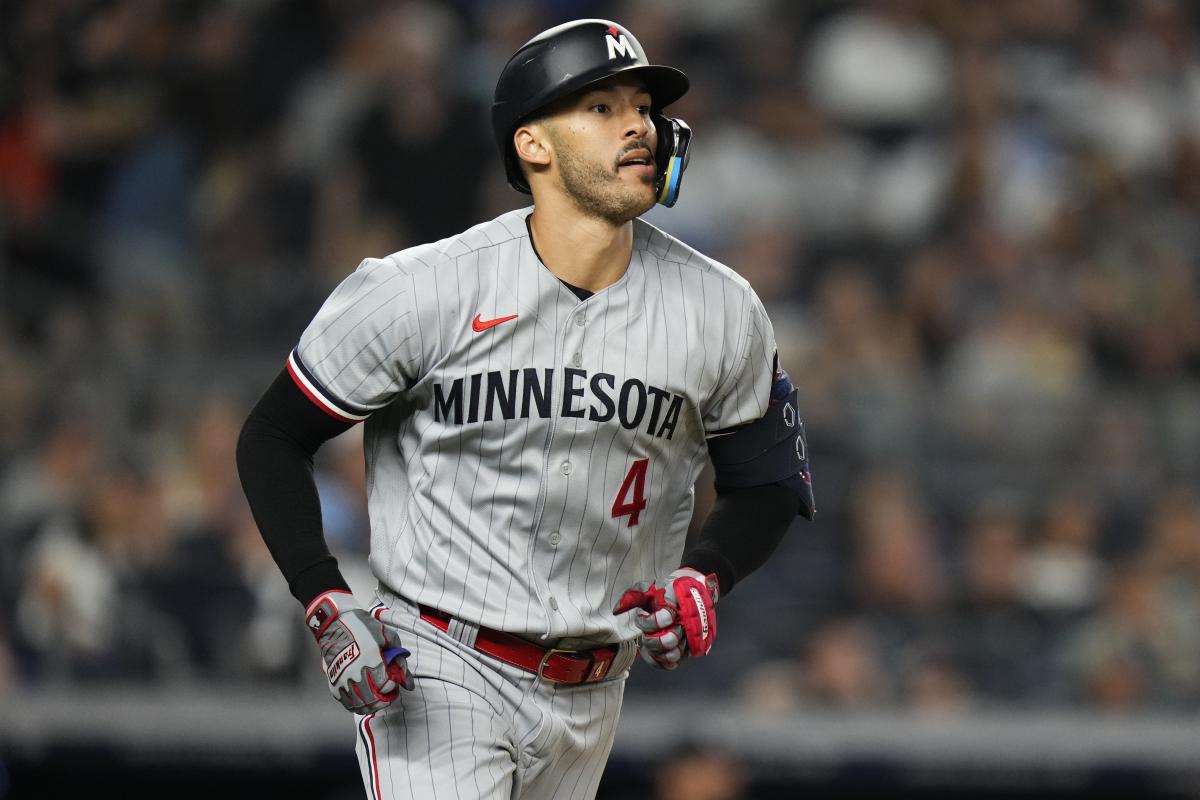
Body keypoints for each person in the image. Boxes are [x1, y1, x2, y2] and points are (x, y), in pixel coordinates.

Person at [236, 18, 814, 800]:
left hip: (595, 684)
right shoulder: (424, 289)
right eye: (601, 108)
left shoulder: (722, 308)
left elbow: (769, 483)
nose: (638, 124)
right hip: (437, 665)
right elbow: (274, 434)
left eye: (642, 106)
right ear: (534, 146)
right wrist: (323, 591)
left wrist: (708, 576)